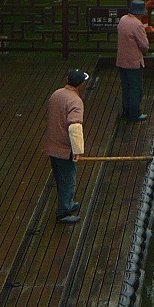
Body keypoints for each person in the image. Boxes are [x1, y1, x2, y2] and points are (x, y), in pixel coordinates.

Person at [44, 69, 90, 225]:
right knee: (68, 179)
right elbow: (74, 127)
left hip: (52, 144)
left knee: (59, 177)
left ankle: (68, 203)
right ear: (81, 84)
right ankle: (63, 211)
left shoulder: (57, 94)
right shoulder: (75, 101)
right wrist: (77, 151)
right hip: (65, 148)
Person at [117, 0, 151, 122]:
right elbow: (144, 45)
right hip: (134, 62)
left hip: (121, 60)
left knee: (125, 86)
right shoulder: (138, 25)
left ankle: (126, 110)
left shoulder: (123, 20)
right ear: (140, 13)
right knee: (136, 88)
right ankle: (135, 114)